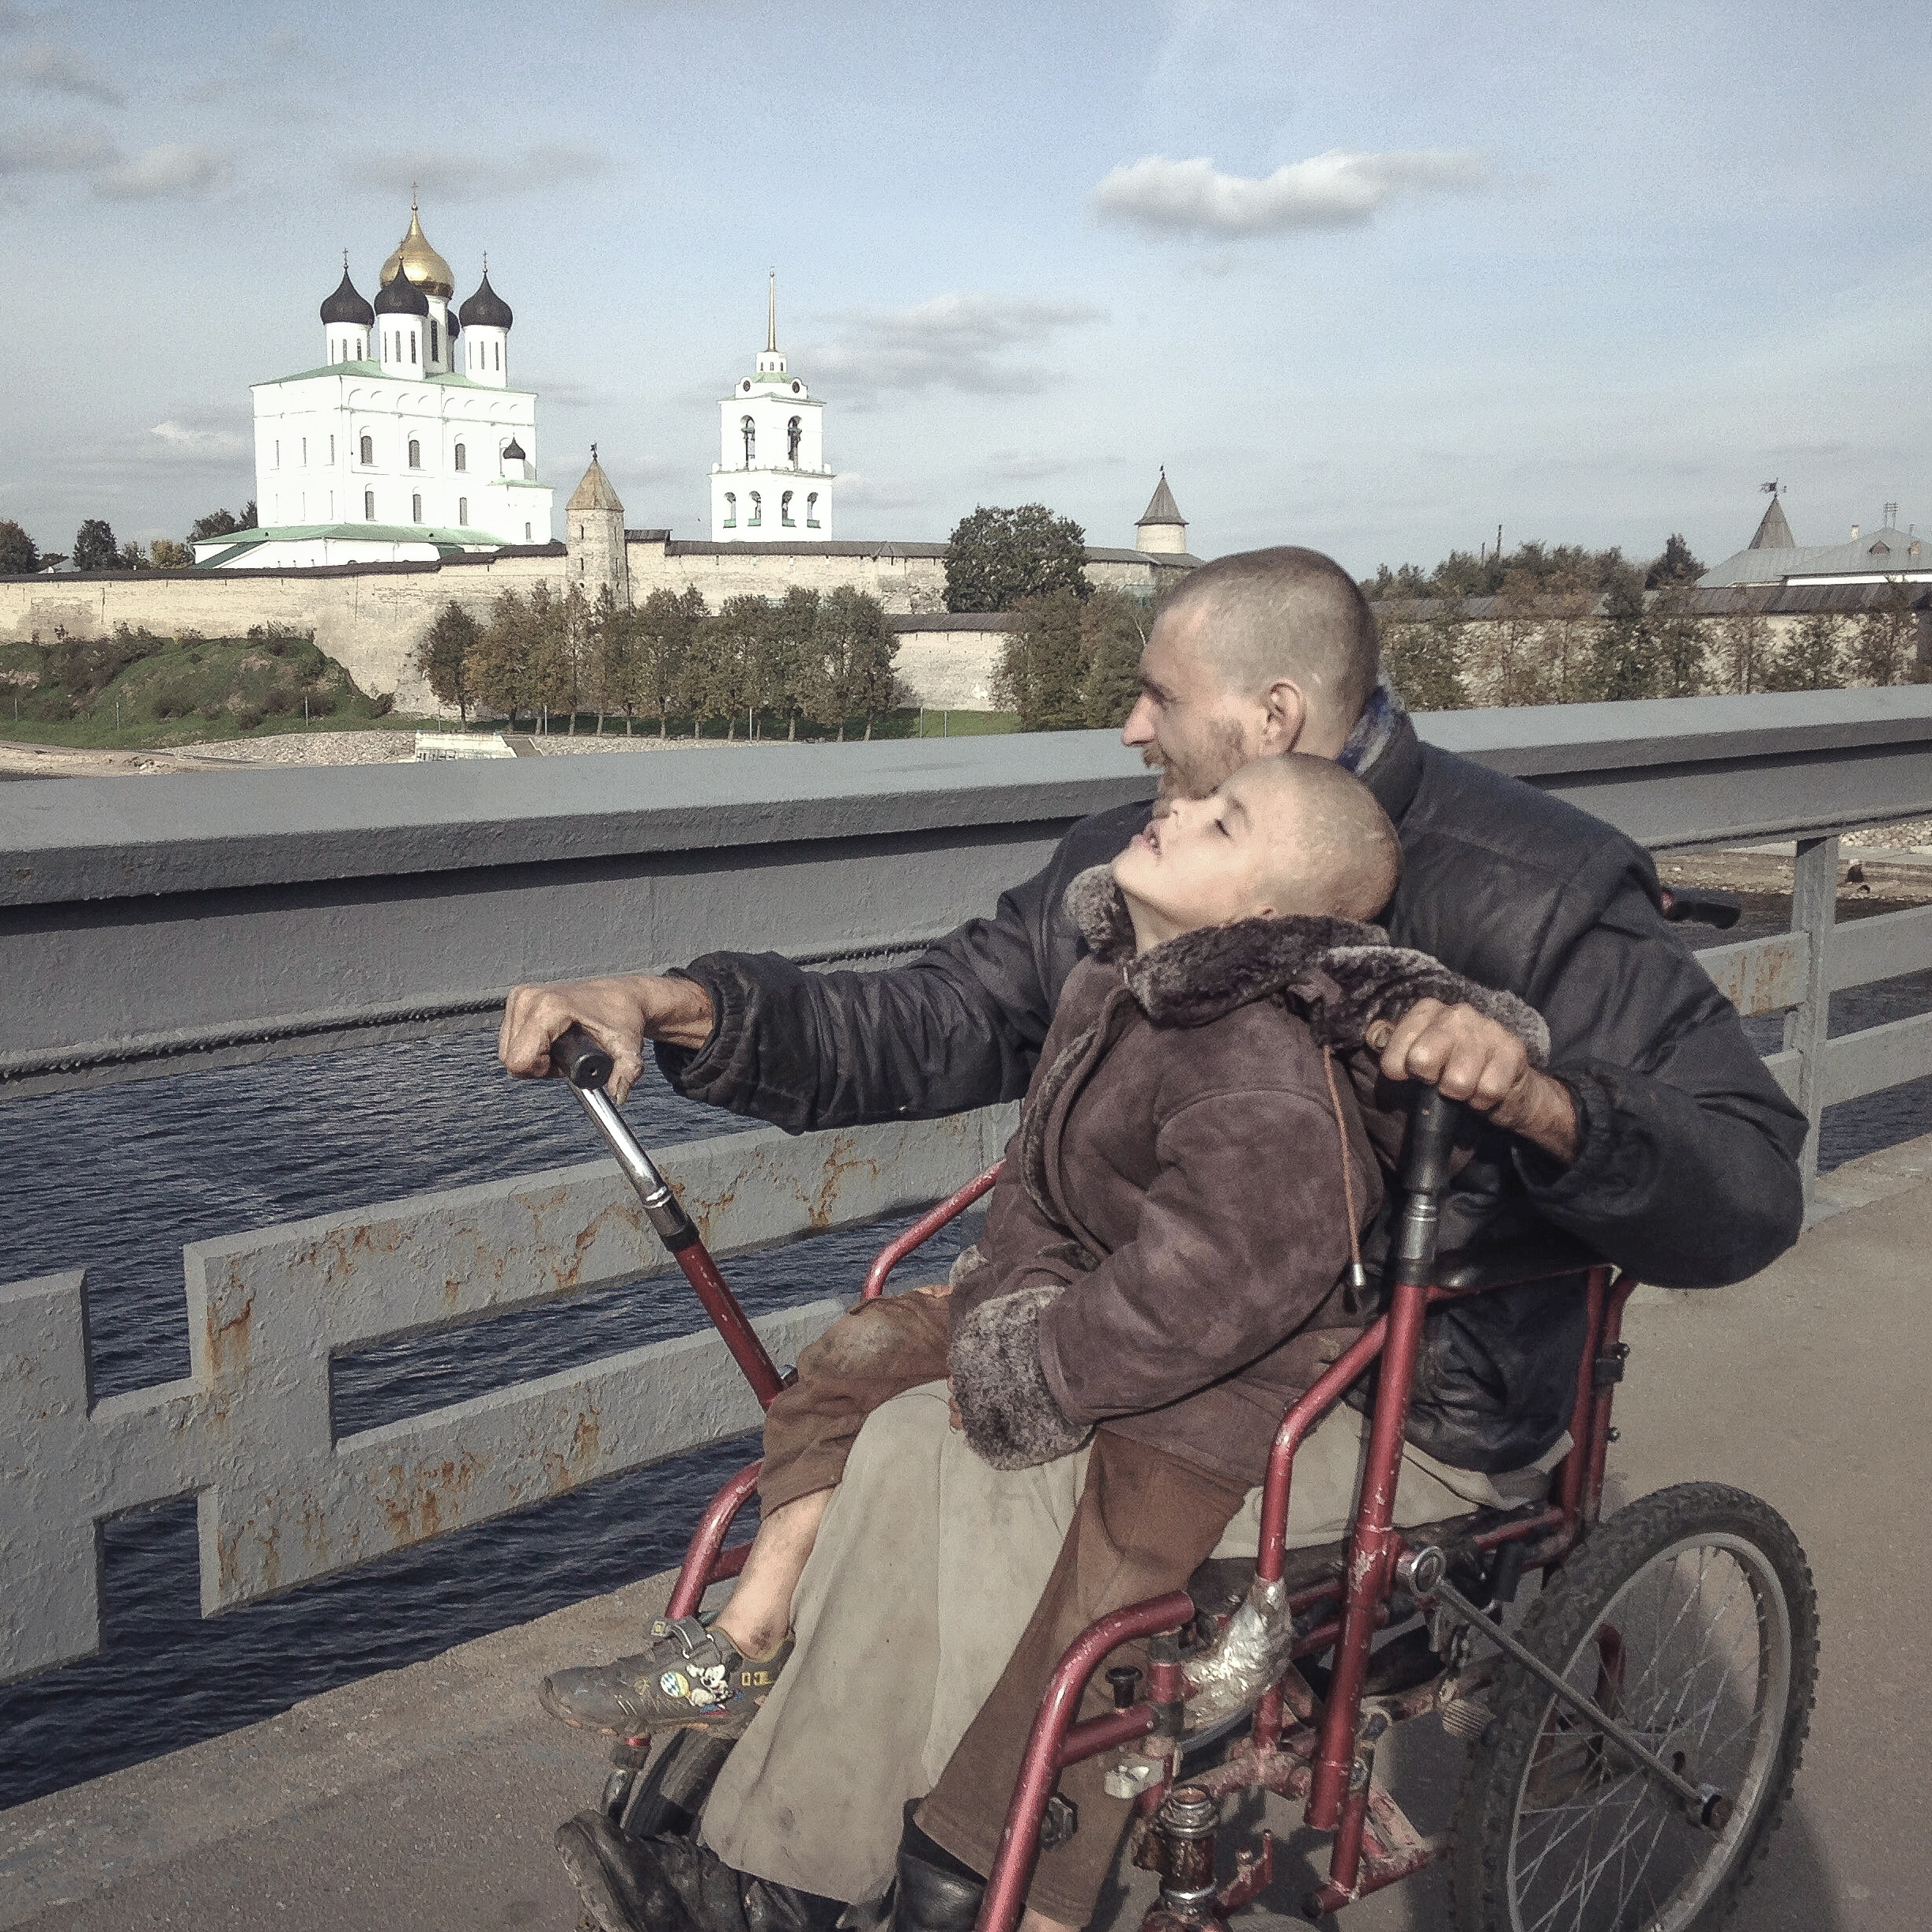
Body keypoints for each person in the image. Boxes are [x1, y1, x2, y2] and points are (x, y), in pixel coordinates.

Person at [502, 546, 1806, 1929]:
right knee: (905, 1423)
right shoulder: (1144, 858)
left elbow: (1745, 1181)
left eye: (1153, 695)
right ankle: (803, 1851)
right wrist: (682, 1002)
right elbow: (945, 1013)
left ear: (1275, 716)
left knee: (958, 1469)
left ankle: (940, 1875)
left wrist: (1543, 1099)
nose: (1127, 730)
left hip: (1403, 1394)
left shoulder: (1536, 886)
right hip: (1146, 1319)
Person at [537, 757, 1543, 1754]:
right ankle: (745, 1641)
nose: (1156, 776)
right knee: (851, 1356)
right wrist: (669, 1000)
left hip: (1158, 1349)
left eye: (1217, 815)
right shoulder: (1107, 975)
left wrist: (1039, 1361)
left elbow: (1212, 1282)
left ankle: (987, 1810)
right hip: (1052, 1289)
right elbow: (981, 1102)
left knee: (1008, 1501)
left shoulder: (1264, 1062)